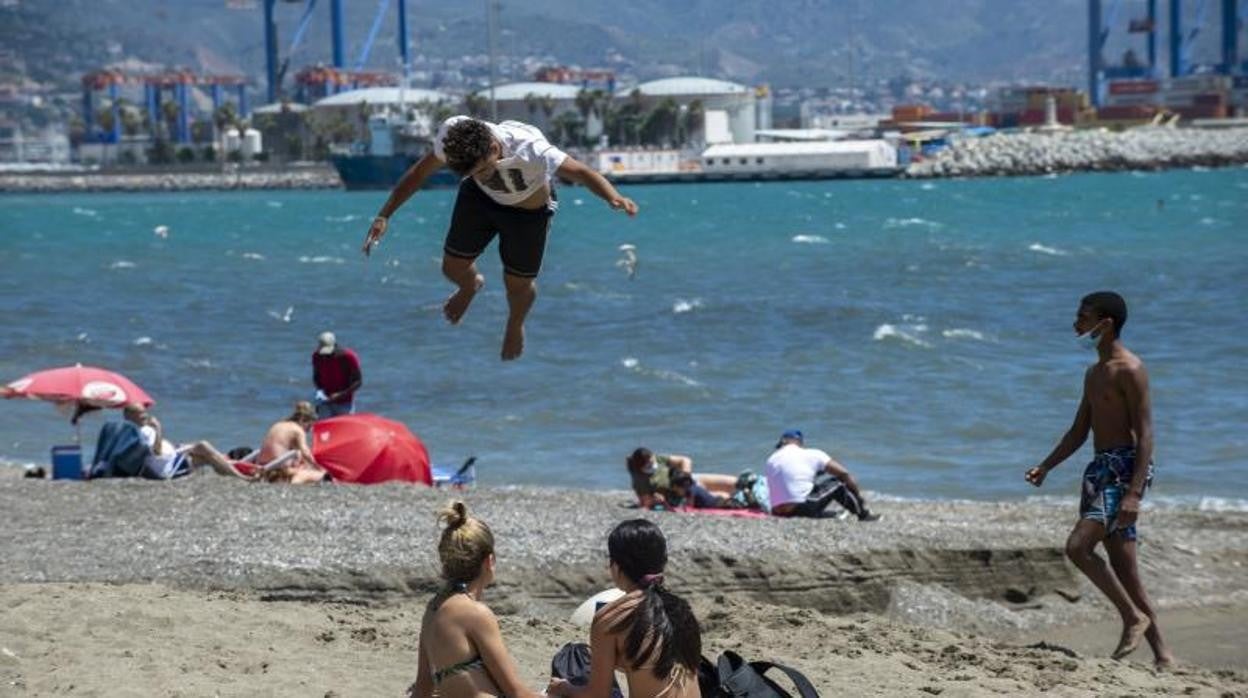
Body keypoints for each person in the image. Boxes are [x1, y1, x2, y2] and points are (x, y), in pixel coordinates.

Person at [361, 116, 639, 361]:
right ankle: (470, 286)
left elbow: (581, 172)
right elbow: (419, 173)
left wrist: (614, 197)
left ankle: (515, 323)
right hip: (480, 200)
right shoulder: (454, 137)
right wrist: (385, 215)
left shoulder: (530, 148)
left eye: (482, 170)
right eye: (472, 172)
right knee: (451, 268)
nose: (480, 175)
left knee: (517, 285)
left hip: (528, 215)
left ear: (494, 149)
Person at [1025, 291, 1173, 667]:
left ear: (1105, 323)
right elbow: (1079, 431)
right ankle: (1164, 656)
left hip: (1125, 470)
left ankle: (1132, 618)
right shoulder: (1094, 373)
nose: (1076, 321)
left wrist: (1134, 494)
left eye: (1083, 315)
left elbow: (1146, 434)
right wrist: (1046, 466)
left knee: (1077, 547)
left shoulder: (1131, 369)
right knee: (1126, 569)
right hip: (1099, 469)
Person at [547, 519, 701, 698]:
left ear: (617, 566)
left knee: (571, 658)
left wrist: (564, 688)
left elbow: (597, 696)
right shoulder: (683, 611)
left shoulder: (612, 618)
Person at [407, 501, 543, 698]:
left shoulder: (433, 608)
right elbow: (517, 694)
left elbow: (422, 690)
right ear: (490, 561)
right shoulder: (476, 614)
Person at [765, 429, 879, 521]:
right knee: (838, 483)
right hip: (801, 509)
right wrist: (858, 496)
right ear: (799, 442)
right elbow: (844, 473)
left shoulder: (771, 460)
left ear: (783, 442)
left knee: (811, 487)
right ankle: (863, 514)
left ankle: (827, 513)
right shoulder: (812, 454)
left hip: (777, 512)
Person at [121, 403, 249, 480]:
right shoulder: (144, 431)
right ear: (129, 416)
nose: (145, 416)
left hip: (171, 458)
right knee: (204, 447)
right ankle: (239, 475)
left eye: (145, 412)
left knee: (206, 455)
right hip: (168, 468)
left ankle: (234, 470)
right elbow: (157, 452)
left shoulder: (132, 432)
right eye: (140, 413)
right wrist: (158, 428)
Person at [625, 447, 737, 509]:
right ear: (642, 465)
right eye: (648, 463)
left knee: (735, 484)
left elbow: (685, 460)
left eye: (652, 460)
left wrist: (684, 477)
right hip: (680, 494)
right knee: (723, 499)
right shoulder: (641, 480)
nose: (652, 463)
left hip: (690, 481)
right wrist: (657, 500)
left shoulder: (658, 459)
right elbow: (645, 502)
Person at [256, 401, 329, 484]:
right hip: (277, 468)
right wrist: (318, 467)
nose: (309, 430)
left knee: (301, 462)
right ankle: (294, 481)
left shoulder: (279, 424)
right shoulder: (297, 430)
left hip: (264, 465)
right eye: (310, 425)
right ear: (303, 420)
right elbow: (306, 452)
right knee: (318, 475)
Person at [312, 331, 362, 419]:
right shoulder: (316, 356)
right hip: (325, 402)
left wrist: (340, 395)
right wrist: (320, 392)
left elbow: (358, 382)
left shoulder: (348, 356)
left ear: (335, 345)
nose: (326, 355)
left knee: (344, 429)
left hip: (344, 402)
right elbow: (316, 377)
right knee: (323, 429)